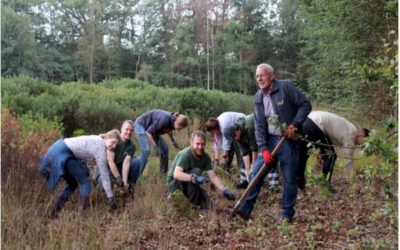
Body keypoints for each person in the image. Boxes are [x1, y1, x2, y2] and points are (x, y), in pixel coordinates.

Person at [228, 63, 312, 223]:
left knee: (289, 178)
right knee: (257, 173)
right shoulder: (258, 97)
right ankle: (244, 210)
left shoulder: (285, 88)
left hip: (288, 140)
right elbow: (259, 125)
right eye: (257, 76)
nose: (259, 79)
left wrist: (294, 124)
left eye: (263, 75)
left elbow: (305, 105)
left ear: (271, 76)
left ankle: (287, 215)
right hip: (270, 140)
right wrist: (263, 148)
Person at [39, 130, 121, 218]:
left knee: (72, 184)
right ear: (107, 138)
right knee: (85, 182)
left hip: (58, 149)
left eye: (116, 145)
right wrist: (110, 197)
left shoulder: (96, 139)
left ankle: (53, 213)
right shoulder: (100, 146)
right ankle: (83, 215)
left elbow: (80, 157)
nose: (114, 146)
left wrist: (86, 172)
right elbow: (104, 175)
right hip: (62, 152)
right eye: (113, 142)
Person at [298, 111, 369, 191]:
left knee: (305, 153)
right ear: (360, 135)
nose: (358, 145)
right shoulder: (351, 135)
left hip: (308, 119)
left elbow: (327, 138)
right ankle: (325, 186)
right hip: (317, 124)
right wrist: (354, 181)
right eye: (361, 142)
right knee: (331, 156)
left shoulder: (350, 128)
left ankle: (299, 182)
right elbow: (348, 160)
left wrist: (320, 152)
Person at [167, 130, 235, 209]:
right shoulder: (185, 155)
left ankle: (196, 202)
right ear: (191, 142)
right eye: (197, 144)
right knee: (196, 171)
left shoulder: (205, 157)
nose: (200, 147)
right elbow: (176, 174)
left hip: (189, 182)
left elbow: (213, 177)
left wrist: (224, 190)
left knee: (209, 205)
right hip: (175, 183)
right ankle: (193, 206)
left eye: (203, 144)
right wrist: (194, 178)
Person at [223, 114, 280, 191]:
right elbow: (244, 152)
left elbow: (254, 148)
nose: (234, 141)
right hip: (257, 139)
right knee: (246, 165)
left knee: (269, 157)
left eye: (234, 138)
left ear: (237, 131)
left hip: (267, 133)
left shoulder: (249, 126)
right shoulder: (237, 137)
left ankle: (274, 185)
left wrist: (253, 167)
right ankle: (245, 181)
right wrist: (248, 170)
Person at [94, 120, 141, 196]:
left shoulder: (131, 146)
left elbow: (126, 162)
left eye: (131, 130)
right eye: (127, 129)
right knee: (104, 186)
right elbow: (110, 161)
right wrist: (119, 178)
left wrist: (124, 183)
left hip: (118, 167)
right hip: (106, 168)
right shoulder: (114, 140)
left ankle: (130, 188)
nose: (129, 132)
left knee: (136, 162)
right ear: (121, 128)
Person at [134, 109, 189, 174]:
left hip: (152, 130)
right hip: (140, 125)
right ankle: (137, 174)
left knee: (165, 149)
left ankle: (163, 172)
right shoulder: (165, 119)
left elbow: (167, 129)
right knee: (146, 151)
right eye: (179, 128)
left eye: (181, 129)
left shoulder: (173, 120)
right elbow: (148, 132)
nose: (179, 130)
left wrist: (173, 141)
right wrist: (156, 147)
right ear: (176, 121)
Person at [205, 112, 247, 188]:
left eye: (212, 131)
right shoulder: (216, 124)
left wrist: (225, 154)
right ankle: (226, 171)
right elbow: (217, 141)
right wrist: (216, 157)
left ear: (215, 128)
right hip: (231, 131)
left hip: (241, 126)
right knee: (229, 152)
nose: (212, 133)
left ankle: (243, 179)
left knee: (239, 153)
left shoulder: (224, 126)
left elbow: (226, 141)